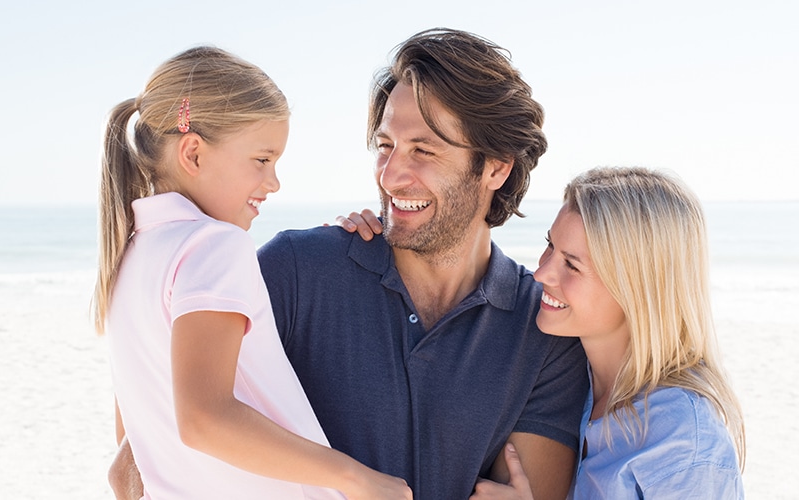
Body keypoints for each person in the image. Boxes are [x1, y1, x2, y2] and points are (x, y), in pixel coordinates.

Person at [108, 29, 588, 500]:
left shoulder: (542, 330)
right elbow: (155, 399)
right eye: (385, 147)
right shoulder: (295, 270)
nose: (392, 174)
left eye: (423, 150)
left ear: (496, 168)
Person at [94, 46, 411, 499]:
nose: (274, 182)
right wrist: (356, 478)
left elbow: (126, 463)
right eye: (262, 160)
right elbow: (204, 419)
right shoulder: (214, 245)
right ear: (193, 153)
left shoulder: (128, 258)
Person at [468, 167, 746, 499]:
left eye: (571, 265)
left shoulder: (685, 443)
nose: (541, 273)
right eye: (549, 245)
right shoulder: (569, 377)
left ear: (636, 289)